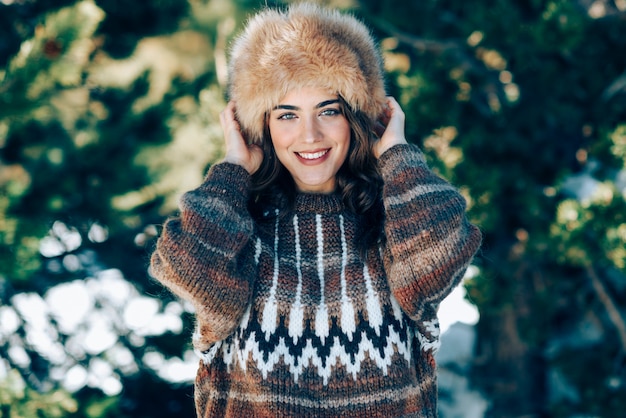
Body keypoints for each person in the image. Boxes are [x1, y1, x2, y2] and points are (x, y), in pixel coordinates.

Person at [150, 3, 482, 417]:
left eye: (329, 110)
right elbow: (187, 268)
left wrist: (396, 152)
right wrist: (233, 169)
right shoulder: (240, 233)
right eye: (287, 114)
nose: (310, 135)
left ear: (358, 118)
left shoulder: (394, 223)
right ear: (261, 127)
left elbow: (441, 256)